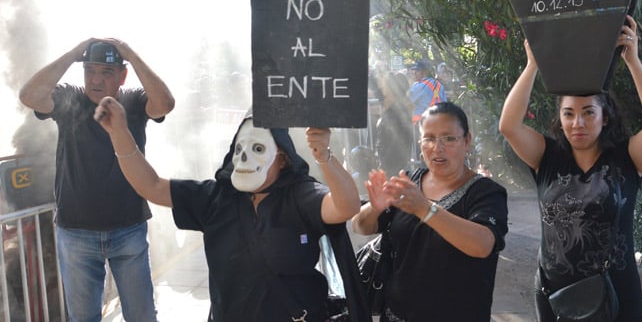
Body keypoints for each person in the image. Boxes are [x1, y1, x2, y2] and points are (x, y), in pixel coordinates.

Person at [94, 98, 370, 322]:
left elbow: (345, 206)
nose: (245, 157)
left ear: (283, 159)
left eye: (259, 148)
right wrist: (119, 134)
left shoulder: (300, 196)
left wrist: (324, 154)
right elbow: (152, 186)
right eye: (240, 148)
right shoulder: (215, 198)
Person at [498, 15, 642, 321]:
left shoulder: (626, 157)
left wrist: (633, 62)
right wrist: (532, 66)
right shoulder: (547, 157)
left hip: (615, 293)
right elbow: (509, 126)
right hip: (555, 295)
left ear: (605, 117)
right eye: (568, 114)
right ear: (560, 119)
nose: (577, 122)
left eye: (588, 113)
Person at [17, 38, 174, 321]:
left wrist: (132, 56)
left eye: (106, 73)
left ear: (122, 76)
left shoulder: (133, 103)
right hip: (76, 232)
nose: (96, 80)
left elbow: (165, 103)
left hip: (128, 229)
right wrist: (74, 54)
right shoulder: (69, 99)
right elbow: (29, 95)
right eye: (90, 71)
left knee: (142, 316)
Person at [352, 101, 508, 321]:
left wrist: (425, 209)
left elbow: (482, 245)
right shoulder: (409, 182)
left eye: (449, 138)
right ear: (420, 142)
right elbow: (360, 226)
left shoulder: (485, 192)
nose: (438, 148)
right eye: (430, 139)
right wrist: (375, 208)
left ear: (467, 141)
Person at [375, 72, 415, 174]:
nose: (381, 88)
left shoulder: (396, 115)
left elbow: (395, 147)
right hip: (392, 168)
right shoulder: (393, 111)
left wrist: (384, 168)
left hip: (393, 170)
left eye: (384, 85)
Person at [408, 60, 447, 124]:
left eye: (417, 70)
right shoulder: (439, 85)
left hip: (422, 123)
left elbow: (407, 102)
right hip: (439, 121)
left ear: (425, 72)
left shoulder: (418, 86)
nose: (414, 72)